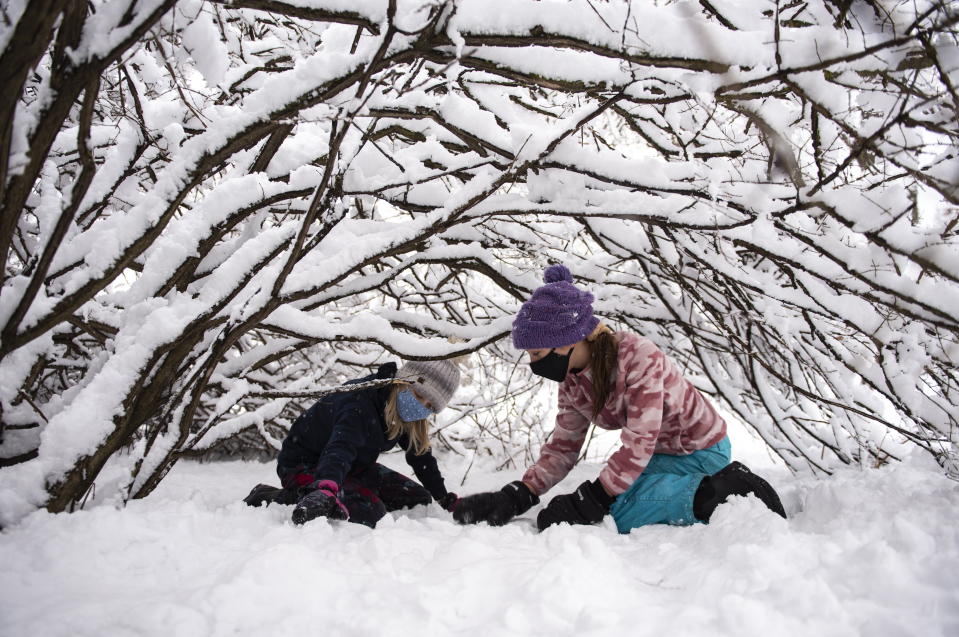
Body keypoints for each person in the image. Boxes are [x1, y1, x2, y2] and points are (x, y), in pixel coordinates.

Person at [453, 264, 786, 533]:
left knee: (620, 510)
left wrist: (594, 498)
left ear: (569, 339)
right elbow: (563, 447)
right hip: (662, 453)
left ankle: (722, 491)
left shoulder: (637, 358)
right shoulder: (572, 380)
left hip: (699, 449)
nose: (534, 363)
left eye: (537, 352)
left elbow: (640, 441)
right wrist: (520, 494)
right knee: (614, 494)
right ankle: (687, 489)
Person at [243, 359, 461, 528]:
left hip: (353, 467)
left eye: (430, 406)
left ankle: (344, 489)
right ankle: (276, 496)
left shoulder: (403, 413)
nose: (420, 405)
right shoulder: (361, 401)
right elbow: (341, 447)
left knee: (418, 499)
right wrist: (326, 489)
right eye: (418, 394)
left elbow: (420, 456)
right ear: (403, 381)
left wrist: (442, 498)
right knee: (371, 513)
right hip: (306, 464)